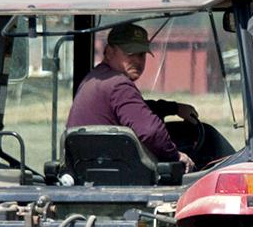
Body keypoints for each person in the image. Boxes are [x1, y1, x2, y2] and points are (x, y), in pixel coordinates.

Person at [65, 22, 200, 170]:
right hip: (117, 177)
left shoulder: (97, 78)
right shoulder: (119, 85)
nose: (138, 61)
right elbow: (150, 131)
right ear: (109, 52)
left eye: (141, 54)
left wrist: (174, 108)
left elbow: (136, 108)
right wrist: (176, 156)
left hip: (92, 172)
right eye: (130, 54)